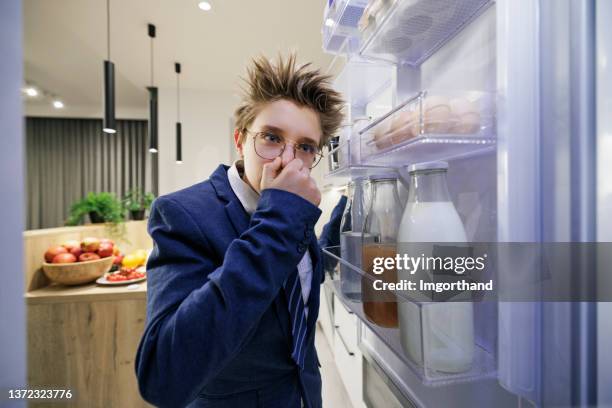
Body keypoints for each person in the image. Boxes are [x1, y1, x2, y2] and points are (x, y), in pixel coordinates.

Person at [135, 54, 347, 408]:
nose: (287, 160)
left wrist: (334, 237)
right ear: (239, 140)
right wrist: (279, 220)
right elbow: (163, 376)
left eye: (306, 147)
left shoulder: (295, 209)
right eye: (271, 138)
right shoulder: (182, 214)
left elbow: (298, 284)